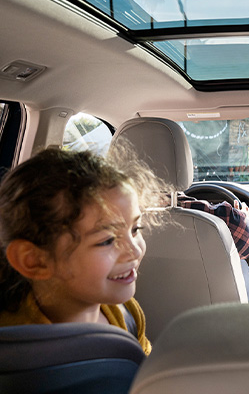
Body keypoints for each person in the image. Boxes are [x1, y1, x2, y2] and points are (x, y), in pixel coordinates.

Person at [0, 147, 169, 355]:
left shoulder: (127, 313)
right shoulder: (14, 349)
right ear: (35, 260)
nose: (134, 251)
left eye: (135, 230)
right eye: (107, 241)